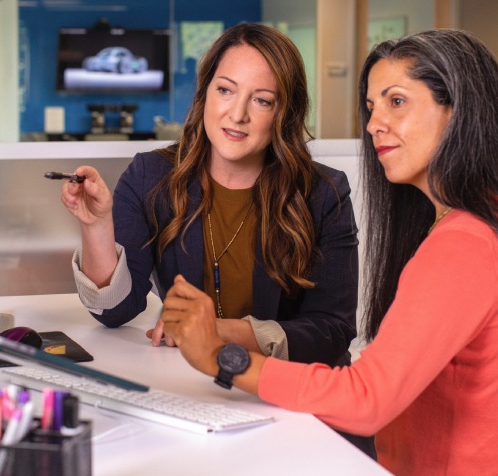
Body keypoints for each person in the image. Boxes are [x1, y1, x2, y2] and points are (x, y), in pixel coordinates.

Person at [161, 29, 498, 474]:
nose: (375, 123)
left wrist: (222, 359)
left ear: (459, 111)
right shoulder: (494, 219)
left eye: (397, 101)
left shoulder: (467, 244)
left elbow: (367, 399)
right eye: (372, 107)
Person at [60, 22, 361, 366]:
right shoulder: (151, 176)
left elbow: (332, 332)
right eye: (226, 90)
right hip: (192, 382)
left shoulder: (323, 193)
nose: (237, 114)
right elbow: (114, 311)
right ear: (205, 93)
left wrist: (218, 330)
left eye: (262, 100)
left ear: (283, 113)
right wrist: (97, 226)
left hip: (287, 390)